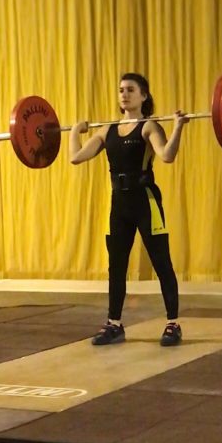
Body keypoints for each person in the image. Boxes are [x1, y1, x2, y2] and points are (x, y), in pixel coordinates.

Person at [69, 72, 188, 347]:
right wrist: (75, 131)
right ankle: (114, 324)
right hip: (119, 204)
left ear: (143, 96)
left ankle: (173, 323)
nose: (124, 94)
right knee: (117, 265)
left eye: (131, 90)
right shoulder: (107, 130)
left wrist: (178, 127)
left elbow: (167, 156)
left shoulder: (148, 127)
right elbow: (76, 157)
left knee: (161, 261)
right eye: (121, 90)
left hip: (145, 201)